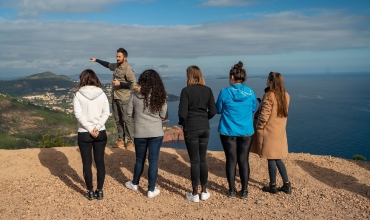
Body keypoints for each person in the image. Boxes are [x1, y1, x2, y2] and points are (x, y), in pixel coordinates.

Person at [216, 61, 258, 200]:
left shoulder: (224, 92)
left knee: (231, 160)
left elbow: (218, 109)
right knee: (244, 160)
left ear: (232, 77)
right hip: (246, 131)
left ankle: (232, 190)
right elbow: (253, 108)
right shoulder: (251, 92)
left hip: (228, 131)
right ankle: (244, 191)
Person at [124, 69, 168, 198]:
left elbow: (128, 112)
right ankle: (151, 189)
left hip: (140, 132)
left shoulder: (134, 94)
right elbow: (163, 115)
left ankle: (135, 183)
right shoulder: (160, 95)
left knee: (139, 160)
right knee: (153, 161)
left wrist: (138, 117)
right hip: (156, 132)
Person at [178, 65, 216, 203]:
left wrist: (184, 122)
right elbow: (213, 110)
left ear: (189, 76)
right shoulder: (208, 90)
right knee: (203, 159)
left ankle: (194, 193)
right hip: (204, 127)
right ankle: (204, 191)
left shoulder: (186, 91)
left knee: (194, 160)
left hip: (191, 128)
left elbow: (182, 114)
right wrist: (204, 119)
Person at [73, 69, 110, 200]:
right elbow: (106, 112)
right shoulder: (102, 94)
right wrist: (97, 127)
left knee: (87, 163)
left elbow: (78, 115)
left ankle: (89, 191)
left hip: (84, 133)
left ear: (82, 79)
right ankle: (99, 191)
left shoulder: (78, 94)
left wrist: (89, 128)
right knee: (100, 162)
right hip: (100, 133)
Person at [90, 47, 135, 149]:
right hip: (115, 97)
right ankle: (121, 139)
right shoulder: (116, 66)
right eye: (116, 56)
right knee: (117, 119)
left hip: (124, 98)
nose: (117, 58)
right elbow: (107, 64)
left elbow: (133, 84)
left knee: (126, 120)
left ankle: (130, 141)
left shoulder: (128, 69)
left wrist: (120, 83)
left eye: (119, 56)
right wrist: (96, 60)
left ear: (125, 57)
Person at [255, 72, 291, 194]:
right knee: (277, 158)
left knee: (271, 158)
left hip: (269, 131)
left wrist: (259, 127)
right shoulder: (285, 95)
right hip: (280, 131)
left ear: (271, 81)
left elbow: (264, 115)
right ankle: (286, 184)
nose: (266, 82)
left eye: (267, 80)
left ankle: (273, 186)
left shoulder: (269, 95)